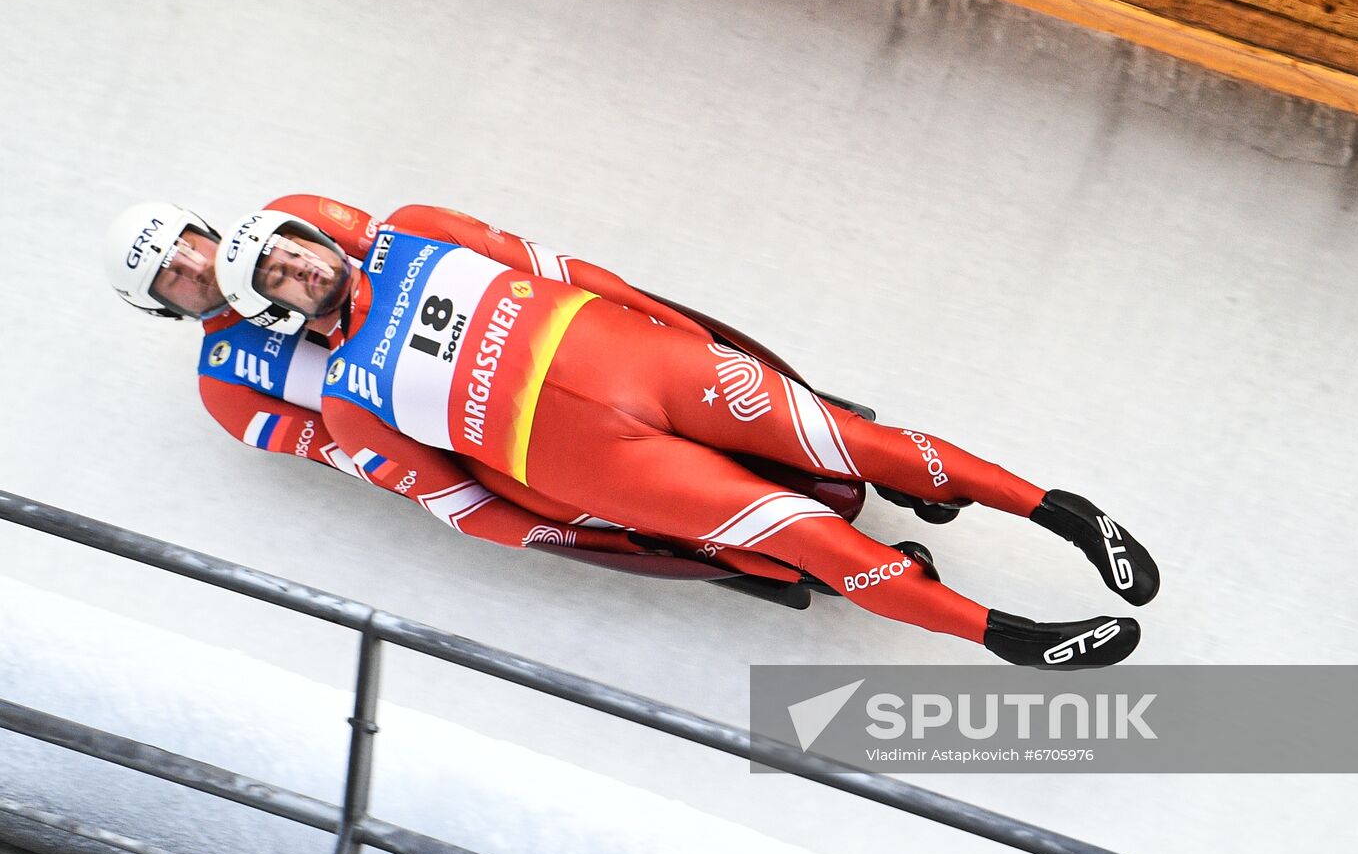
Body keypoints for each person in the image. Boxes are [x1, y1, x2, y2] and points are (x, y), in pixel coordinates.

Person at [216, 199, 1160, 667]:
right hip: (608, 465)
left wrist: (675, 327)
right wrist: (562, 531)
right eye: (277, 279)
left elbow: (563, 266)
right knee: (808, 539)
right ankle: (1012, 637)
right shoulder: (345, 398)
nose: (297, 271)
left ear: (317, 235)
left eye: (293, 250)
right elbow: (458, 504)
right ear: (276, 312)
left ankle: (1066, 514)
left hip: (647, 365)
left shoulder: (413, 230)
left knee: (858, 445)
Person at [103, 201, 671, 555]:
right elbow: (359, 455)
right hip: (469, 432)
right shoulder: (226, 388)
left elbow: (410, 248)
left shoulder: (291, 220)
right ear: (162, 307)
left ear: (203, 226)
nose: (197, 267)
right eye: (171, 275)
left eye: (190, 246)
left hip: (515, 341)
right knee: (536, 500)